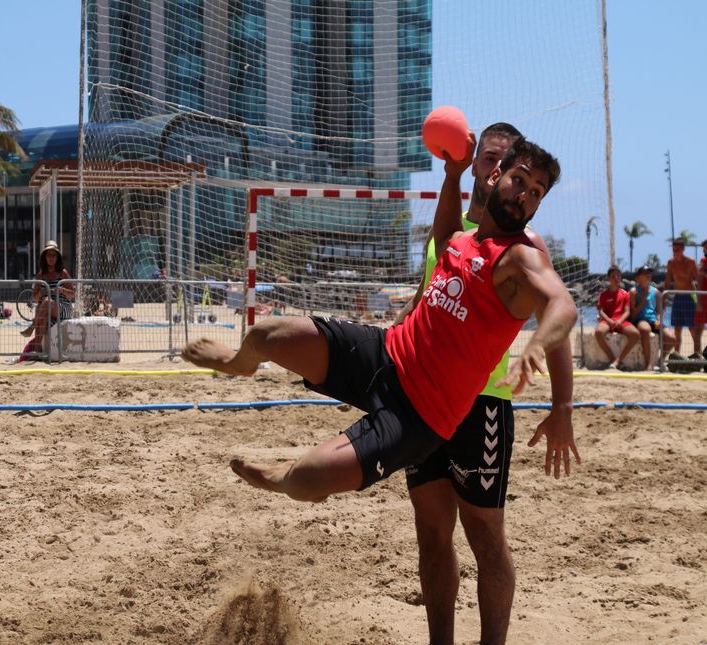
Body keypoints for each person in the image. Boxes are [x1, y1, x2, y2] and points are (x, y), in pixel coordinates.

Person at [181, 138, 579, 640]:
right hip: (388, 354)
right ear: (495, 173)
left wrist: (541, 356)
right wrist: (452, 177)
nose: (524, 194)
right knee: (269, 335)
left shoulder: (521, 257)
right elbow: (446, 234)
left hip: (429, 413)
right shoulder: (463, 239)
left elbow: (562, 305)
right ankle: (239, 364)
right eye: (519, 179)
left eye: (536, 190)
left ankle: (287, 477)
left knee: (314, 483)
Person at [394, 122, 576, 645]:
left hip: (482, 406)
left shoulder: (524, 244)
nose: (498, 169)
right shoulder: (454, 233)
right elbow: (428, 294)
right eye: (489, 158)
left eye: (508, 163)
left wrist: (562, 406)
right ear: (481, 168)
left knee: (486, 538)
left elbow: (557, 325)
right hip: (426, 398)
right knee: (431, 534)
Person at [20, 240, 74, 349]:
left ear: (57, 257)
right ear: (45, 257)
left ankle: (32, 327)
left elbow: (73, 294)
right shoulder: (41, 275)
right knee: (44, 315)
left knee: (46, 302)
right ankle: (38, 349)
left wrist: (62, 290)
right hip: (46, 309)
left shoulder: (62, 272)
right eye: (49, 255)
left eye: (53, 255)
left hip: (62, 307)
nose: (51, 257)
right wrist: (40, 293)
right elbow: (34, 298)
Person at [594, 265, 639, 369]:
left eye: (618, 276)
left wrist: (620, 321)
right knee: (598, 332)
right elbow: (600, 311)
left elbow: (627, 311)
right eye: (614, 276)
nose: (617, 278)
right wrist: (609, 321)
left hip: (621, 321)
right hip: (608, 321)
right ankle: (613, 359)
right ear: (609, 278)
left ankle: (619, 360)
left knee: (635, 334)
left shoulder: (625, 294)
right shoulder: (603, 294)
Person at [629, 265, 674, 370]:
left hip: (653, 320)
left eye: (649, 273)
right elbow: (633, 314)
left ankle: (659, 361)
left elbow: (658, 311)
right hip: (640, 319)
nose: (648, 275)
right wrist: (644, 298)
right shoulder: (633, 292)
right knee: (645, 329)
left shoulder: (656, 292)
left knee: (671, 338)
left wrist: (658, 321)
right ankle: (648, 363)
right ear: (638, 277)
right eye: (645, 273)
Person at [664, 238, 698, 354]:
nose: (675, 252)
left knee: (692, 328)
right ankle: (676, 355)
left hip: (689, 297)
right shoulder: (671, 263)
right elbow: (667, 282)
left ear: (683, 249)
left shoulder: (690, 262)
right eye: (673, 250)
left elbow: (698, 279)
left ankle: (697, 354)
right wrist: (663, 300)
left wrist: (700, 299)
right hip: (677, 298)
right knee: (677, 329)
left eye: (677, 250)